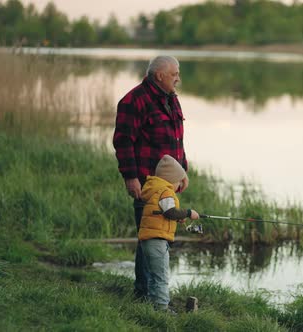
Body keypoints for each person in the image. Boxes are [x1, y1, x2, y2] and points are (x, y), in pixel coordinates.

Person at [113, 55, 189, 300]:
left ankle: (149, 293)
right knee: (150, 237)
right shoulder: (133, 101)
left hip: (169, 183)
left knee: (160, 235)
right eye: (174, 74)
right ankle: (145, 295)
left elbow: (177, 139)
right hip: (147, 183)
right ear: (159, 75)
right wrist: (131, 177)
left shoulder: (171, 99)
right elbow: (123, 142)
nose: (178, 78)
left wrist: (182, 172)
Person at [138, 155, 199, 312]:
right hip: (157, 241)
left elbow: (161, 213)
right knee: (161, 276)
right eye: (179, 181)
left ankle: (153, 305)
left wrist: (176, 219)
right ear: (172, 178)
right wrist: (188, 213)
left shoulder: (154, 190)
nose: (179, 185)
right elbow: (170, 212)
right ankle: (162, 308)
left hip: (148, 240)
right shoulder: (166, 192)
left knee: (153, 275)